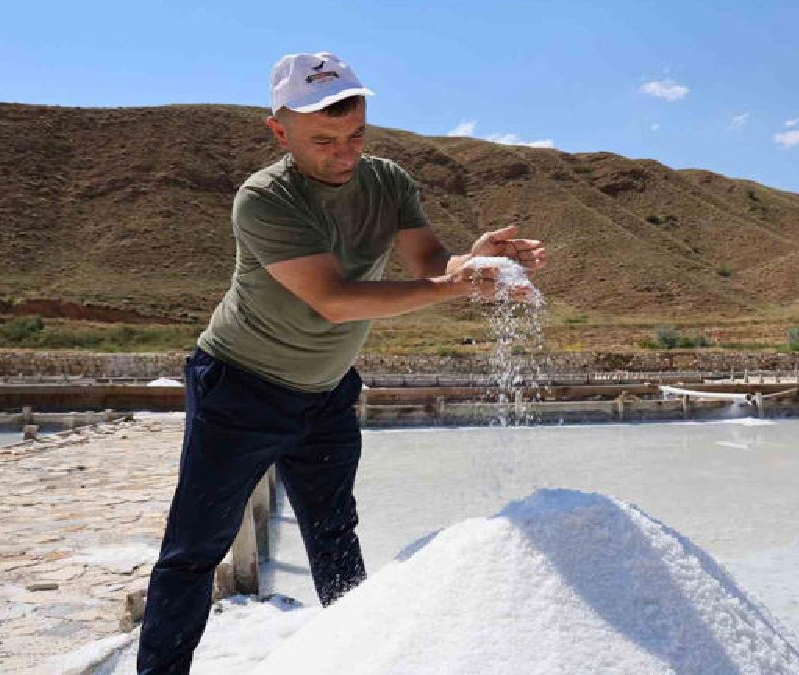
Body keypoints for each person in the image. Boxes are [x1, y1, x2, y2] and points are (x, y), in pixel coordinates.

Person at [137, 51, 546, 674]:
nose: (344, 152)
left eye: (355, 134)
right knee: (195, 551)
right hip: (239, 388)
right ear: (280, 132)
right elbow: (333, 300)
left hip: (327, 391)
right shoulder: (265, 200)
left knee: (334, 539)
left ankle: (359, 662)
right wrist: (455, 287)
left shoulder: (387, 181)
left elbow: (428, 262)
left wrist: (473, 263)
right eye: (323, 140)